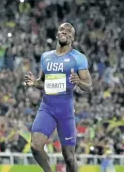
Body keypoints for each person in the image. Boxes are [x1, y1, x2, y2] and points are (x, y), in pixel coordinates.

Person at [24, 23, 92, 172]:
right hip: (47, 108)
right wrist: (34, 83)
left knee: (68, 156)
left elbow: (89, 87)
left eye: (69, 31)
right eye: (62, 29)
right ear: (57, 34)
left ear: (72, 37)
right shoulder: (46, 57)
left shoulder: (78, 58)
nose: (65, 32)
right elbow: (43, 83)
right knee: (35, 146)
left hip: (65, 112)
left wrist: (78, 81)